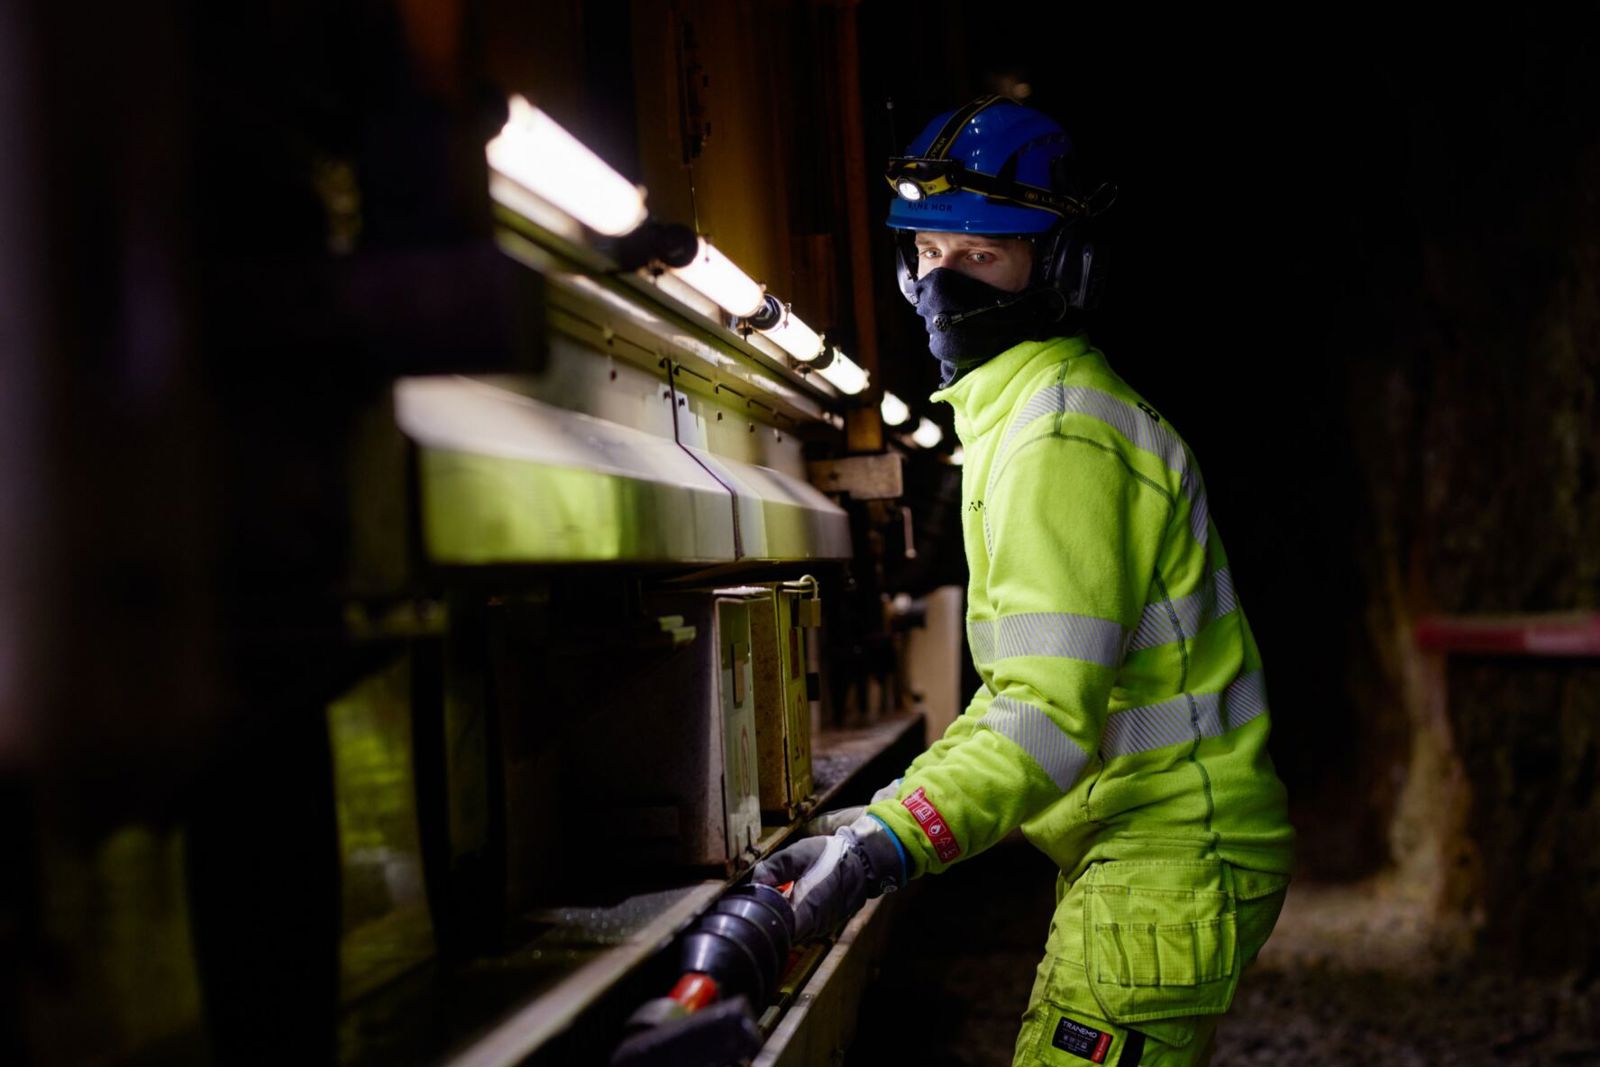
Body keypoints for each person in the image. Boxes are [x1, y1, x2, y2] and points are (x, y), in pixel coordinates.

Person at [753, 94, 1294, 1066]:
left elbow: (1041, 720)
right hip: (1154, 850)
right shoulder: (1025, 414)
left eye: (983, 255)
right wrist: (864, 822)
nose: (944, 284)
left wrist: (882, 844)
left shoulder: (1058, 432)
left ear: (1058, 265)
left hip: (1163, 860)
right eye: (928, 253)